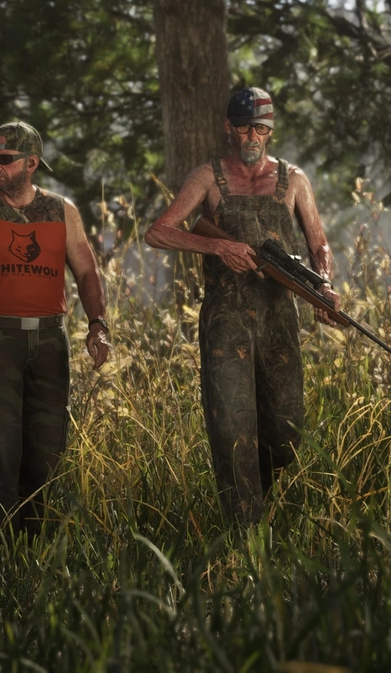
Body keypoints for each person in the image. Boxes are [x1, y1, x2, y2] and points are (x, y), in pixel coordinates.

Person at [145, 87, 341, 525]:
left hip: (278, 317)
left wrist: (323, 286)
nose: (251, 136)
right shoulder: (206, 177)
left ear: (269, 132)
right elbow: (158, 232)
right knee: (233, 428)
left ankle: (259, 499)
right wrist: (216, 246)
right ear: (227, 128)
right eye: (243, 127)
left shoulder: (294, 179)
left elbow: (318, 243)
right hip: (226, 319)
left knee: (287, 430)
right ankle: (244, 533)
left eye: (260, 128)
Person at [0, 120, 111, 545]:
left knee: (46, 460)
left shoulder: (60, 210)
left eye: (6, 159)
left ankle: (36, 566)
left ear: (31, 163)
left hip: (50, 343)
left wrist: (97, 325)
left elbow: (87, 270)